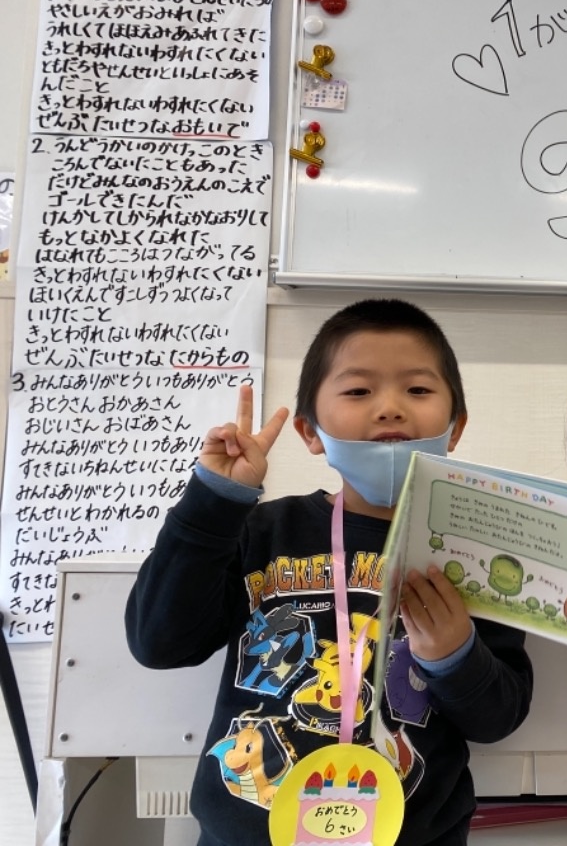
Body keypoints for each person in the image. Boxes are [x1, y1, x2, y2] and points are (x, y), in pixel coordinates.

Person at [126, 299, 533, 846]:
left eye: (417, 390)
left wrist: (455, 655)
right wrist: (215, 501)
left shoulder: (480, 553)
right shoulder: (264, 531)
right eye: (358, 391)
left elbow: (496, 720)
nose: (390, 408)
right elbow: (159, 642)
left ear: (455, 427)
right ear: (310, 431)